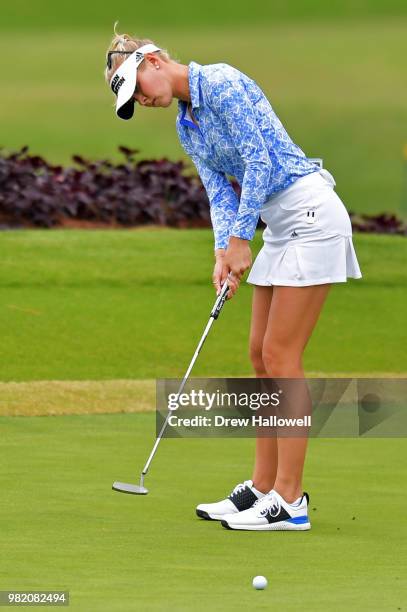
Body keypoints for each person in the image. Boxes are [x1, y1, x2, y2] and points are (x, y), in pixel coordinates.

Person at [105, 27, 363, 531]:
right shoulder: (187, 124)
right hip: (281, 228)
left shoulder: (220, 82)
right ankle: (262, 488)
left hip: (311, 215)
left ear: (154, 60)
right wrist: (224, 248)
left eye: (138, 86)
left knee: (282, 357)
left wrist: (243, 239)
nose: (142, 99)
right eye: (132, 98)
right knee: (259, 354)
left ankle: (290, 501)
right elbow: (221, 192)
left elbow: (259, 161)